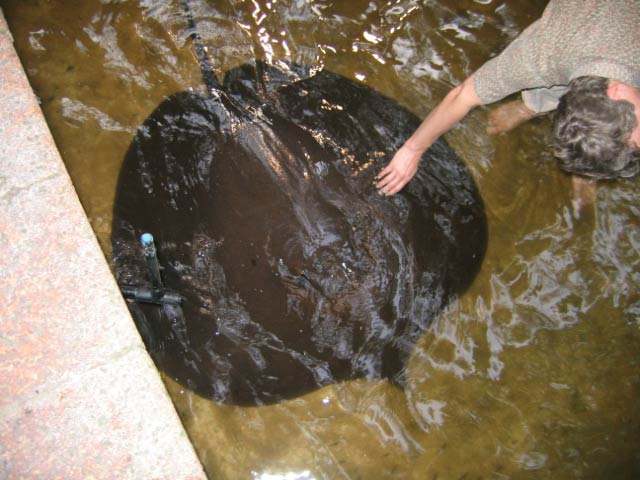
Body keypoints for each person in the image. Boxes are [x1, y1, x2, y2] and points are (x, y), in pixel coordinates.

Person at [376, 0, 640, 207]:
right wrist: (412, 149)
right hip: (578, 35)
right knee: (558, 68)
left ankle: (584, 164)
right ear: (614, 90)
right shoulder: (542, 53)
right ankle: (530, 106)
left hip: (599, 36)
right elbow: (463, 96)